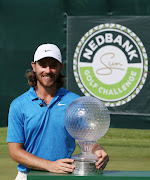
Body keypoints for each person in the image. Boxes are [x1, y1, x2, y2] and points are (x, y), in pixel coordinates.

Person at [7, 44, 109, 180]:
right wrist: (49, 165)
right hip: (27, 176)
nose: (48, 70)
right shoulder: (18, 105)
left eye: (53, 65)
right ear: (34, 66)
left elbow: (85, 139)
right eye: (43, 65)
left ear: (60, 67)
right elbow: (15, 152)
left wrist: (97, 150)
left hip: (63, 175)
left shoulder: (75, 102)